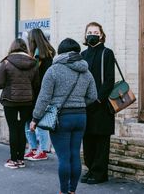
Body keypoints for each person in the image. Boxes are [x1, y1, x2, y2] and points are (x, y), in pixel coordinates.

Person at [30, 38, 97, 194]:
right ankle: (72, 191)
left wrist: (35, 118)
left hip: (61, 118)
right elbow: (93, 96)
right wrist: (79, 103)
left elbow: (44, 98)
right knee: (75, 155)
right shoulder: (85, 71)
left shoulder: (53, 70)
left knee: (64, 158)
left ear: (60, 52)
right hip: (81, 117)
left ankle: (63, 191)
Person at [0, 39, 40, 169]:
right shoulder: (33, 63)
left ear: (12, 47)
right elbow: (36, 84)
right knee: (22, 129)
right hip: (27, 101)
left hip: (10, 101)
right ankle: (21, 159)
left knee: (13, 129)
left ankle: (13, 159)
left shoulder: (6, 62)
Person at [80, 22, 116, 184]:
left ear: (101, 35)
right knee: (88, 139)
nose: (92, 34)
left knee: (101, 140)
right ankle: (90, 169)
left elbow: (109, 80)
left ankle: (100, 173)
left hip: (101, 105)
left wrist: (98, 99)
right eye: (89, 32)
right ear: (85, 35)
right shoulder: (82, 54)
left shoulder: (107, 53)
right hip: (85, 105)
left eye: (95, 32)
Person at [24, 28, 56, 161]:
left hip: (38, 95)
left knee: (40, 123)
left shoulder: (42, 58)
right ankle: (32, 148)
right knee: (28, 122)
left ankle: (42, 150)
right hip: (33, 95)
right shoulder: (43, 56)